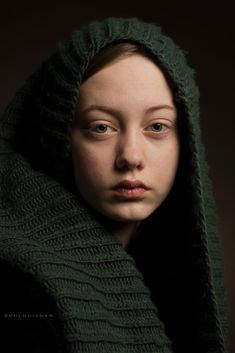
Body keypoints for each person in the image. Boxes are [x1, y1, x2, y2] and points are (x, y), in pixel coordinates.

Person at [0, 17, 229, 353]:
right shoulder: (20, 290)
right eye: (102, 128)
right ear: (58, 138)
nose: (131, 157)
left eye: (157, 126)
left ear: (187, 142)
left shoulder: (173, 280)